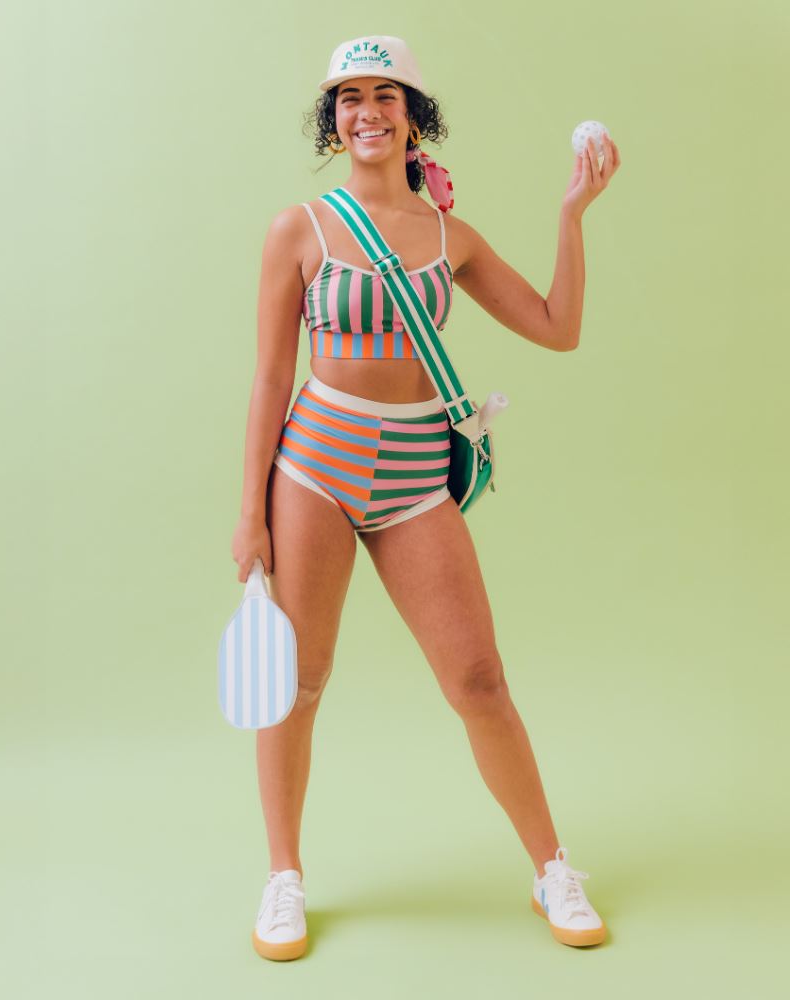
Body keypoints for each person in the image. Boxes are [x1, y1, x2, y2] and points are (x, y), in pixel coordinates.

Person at [230, 34, 621, 961]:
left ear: (414, 116)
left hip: (414, 476)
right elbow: (270, 376)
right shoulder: (302, 228)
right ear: (335, 118)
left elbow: (557, 329)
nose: (367, 111)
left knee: (479, 681)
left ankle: (551, 870)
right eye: (350, 97)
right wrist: (250, 510)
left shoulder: (454, 238)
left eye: (386, 95)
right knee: (297, 684)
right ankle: (283, 878)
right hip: (313, 468)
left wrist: (573, 211)